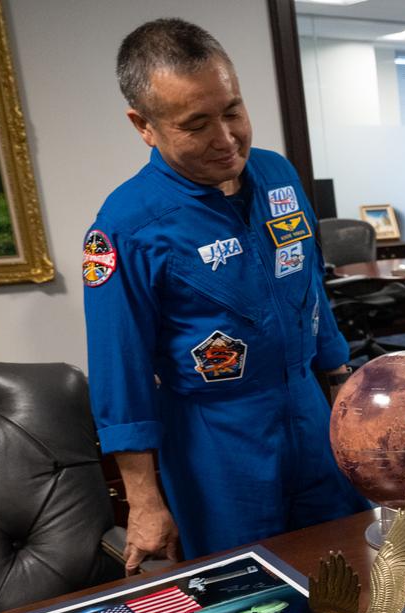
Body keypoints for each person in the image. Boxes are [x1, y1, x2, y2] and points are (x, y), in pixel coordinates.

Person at [83, 19, 369, 571]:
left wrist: (341, 389)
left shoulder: (278, 175)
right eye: (197, 124)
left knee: (346, 563)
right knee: (249, 590)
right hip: (217, 441)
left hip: (310, 415)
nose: (227, 138)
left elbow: (310, 288)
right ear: (143, 125)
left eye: (232, 110)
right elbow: (121, 373)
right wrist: (143, 502)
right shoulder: (125, 227)